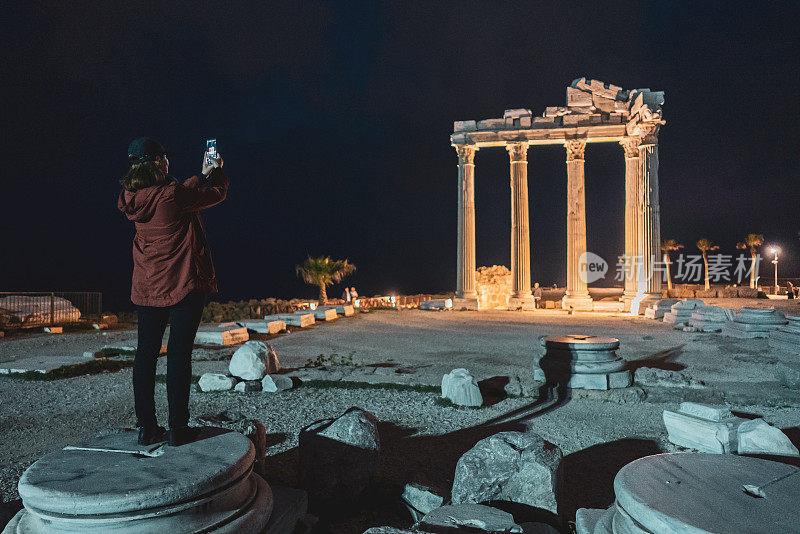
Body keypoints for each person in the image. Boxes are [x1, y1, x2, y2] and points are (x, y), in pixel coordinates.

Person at [118, 137, 228, 446]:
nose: (168, 161)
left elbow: (178, 191)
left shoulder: (132, 196)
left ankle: (146, 427)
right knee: (179, 355)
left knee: (146, 354)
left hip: (146, 286)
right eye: (164, 157)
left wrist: (200, 174)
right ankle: (178, 428)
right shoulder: (171, 196)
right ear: (157, 162)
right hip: (181, 285)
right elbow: (214, 195)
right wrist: (216, 172)